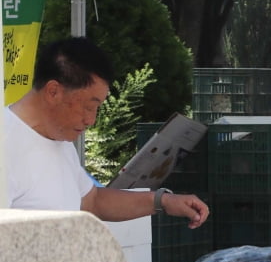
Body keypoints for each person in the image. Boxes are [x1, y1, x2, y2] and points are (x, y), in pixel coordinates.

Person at [5, 36, 208, 225]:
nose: (91, 120)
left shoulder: (59, 139)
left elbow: (92, 201)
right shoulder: (6, 144)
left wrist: (162, 201)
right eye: (88, 106)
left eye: (97, 108)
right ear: (53, 91)